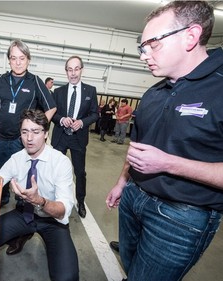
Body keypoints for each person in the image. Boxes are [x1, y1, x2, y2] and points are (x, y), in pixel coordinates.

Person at [106, 1, 223, 280]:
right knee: (132, 269)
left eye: (153, 44)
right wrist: (124, 182)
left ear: (191, 36)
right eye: (142, 47)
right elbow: (137, 146)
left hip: (181, 217)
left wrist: (168, 164)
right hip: (134, 198)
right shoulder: (153, 93)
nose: (143, 55)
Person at [0, 109, 79, 281]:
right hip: (25, 214)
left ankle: (27, 233)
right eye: (25, 132)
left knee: (67, 277)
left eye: (35, 132)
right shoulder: (16, 158)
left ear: (45, 134)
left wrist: (40, 201)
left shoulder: (61, 162)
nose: (29, 139)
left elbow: (63, 210)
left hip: (52, 221)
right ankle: (23, 233)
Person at [0, 39, 56, 214]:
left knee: (23, 174)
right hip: (1, 137)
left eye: (22, 58)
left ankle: (21, 204)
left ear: (28, 60)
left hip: (22, 141)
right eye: (13, 58)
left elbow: (52, 107)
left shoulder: (35, 82)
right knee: (2, 172)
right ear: (9, 60)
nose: (17, 62)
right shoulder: (2, 80)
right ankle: (1, 198)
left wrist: (36, 129)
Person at [51, 55, 98, 218]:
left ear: (81, 70)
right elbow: (52, 114)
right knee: (55, 170)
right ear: (66, 72)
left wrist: (82, 122)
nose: (73, 73)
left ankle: (80, 201)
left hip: (78, 139)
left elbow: (95, 114)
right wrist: (62, 119)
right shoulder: (58, 92)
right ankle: (52, 198)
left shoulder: (90, 91)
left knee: (80, 173)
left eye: (76, 69)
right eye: (70, 69)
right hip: (60, 137)